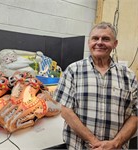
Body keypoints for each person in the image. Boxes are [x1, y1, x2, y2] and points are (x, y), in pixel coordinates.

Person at [53, 22, 138, 150]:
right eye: (95, 38)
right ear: (89, 43)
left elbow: (135, 115)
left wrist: (115, 144)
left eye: (106, 39)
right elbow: (66, 112)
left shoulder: (129, 76)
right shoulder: (73, 71)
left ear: (115, 44)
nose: (99, 42)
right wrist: (94, 143)